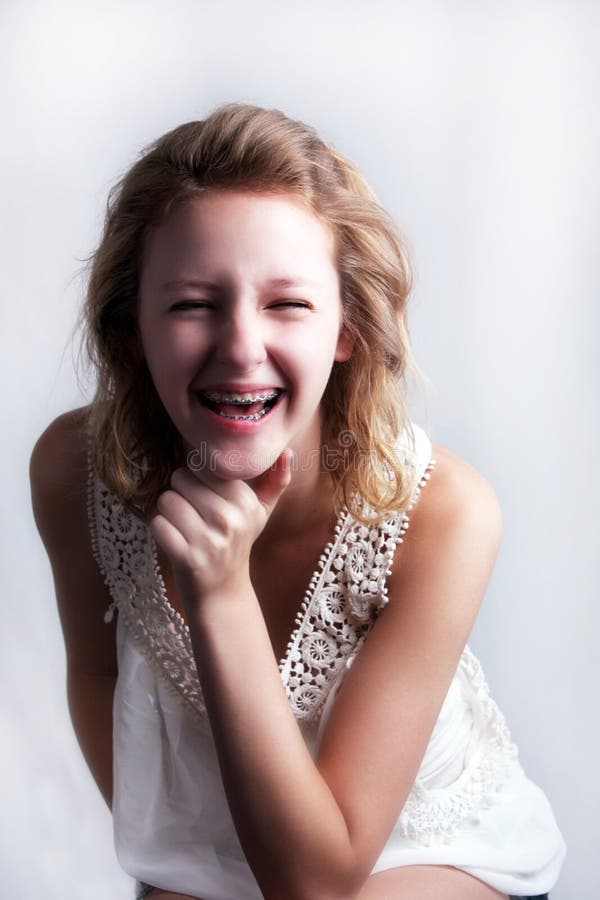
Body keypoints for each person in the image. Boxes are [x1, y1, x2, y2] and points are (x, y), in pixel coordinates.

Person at [30, 103, 565, 900]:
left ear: (346, 327)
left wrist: (219, 594)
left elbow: (318, 882)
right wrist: (184, 866)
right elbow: (97, 675)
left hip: (423, 847)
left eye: (288, 303)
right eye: (191, 304)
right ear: (132, 326)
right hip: (250, 844)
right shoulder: (75, 467)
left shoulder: (444, 513)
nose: (241, 347)